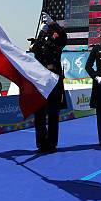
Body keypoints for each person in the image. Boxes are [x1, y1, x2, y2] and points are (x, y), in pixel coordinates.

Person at [31, 12, 67, 153]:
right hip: (41, 82)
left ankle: (51, 144)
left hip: (54, 81)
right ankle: (41, 143)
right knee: (39, 114)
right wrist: (42, 31)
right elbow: (35, 49)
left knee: (53, 114)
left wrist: (53, 24)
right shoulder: (39, 43)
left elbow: (63, 37)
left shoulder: (57, 41)